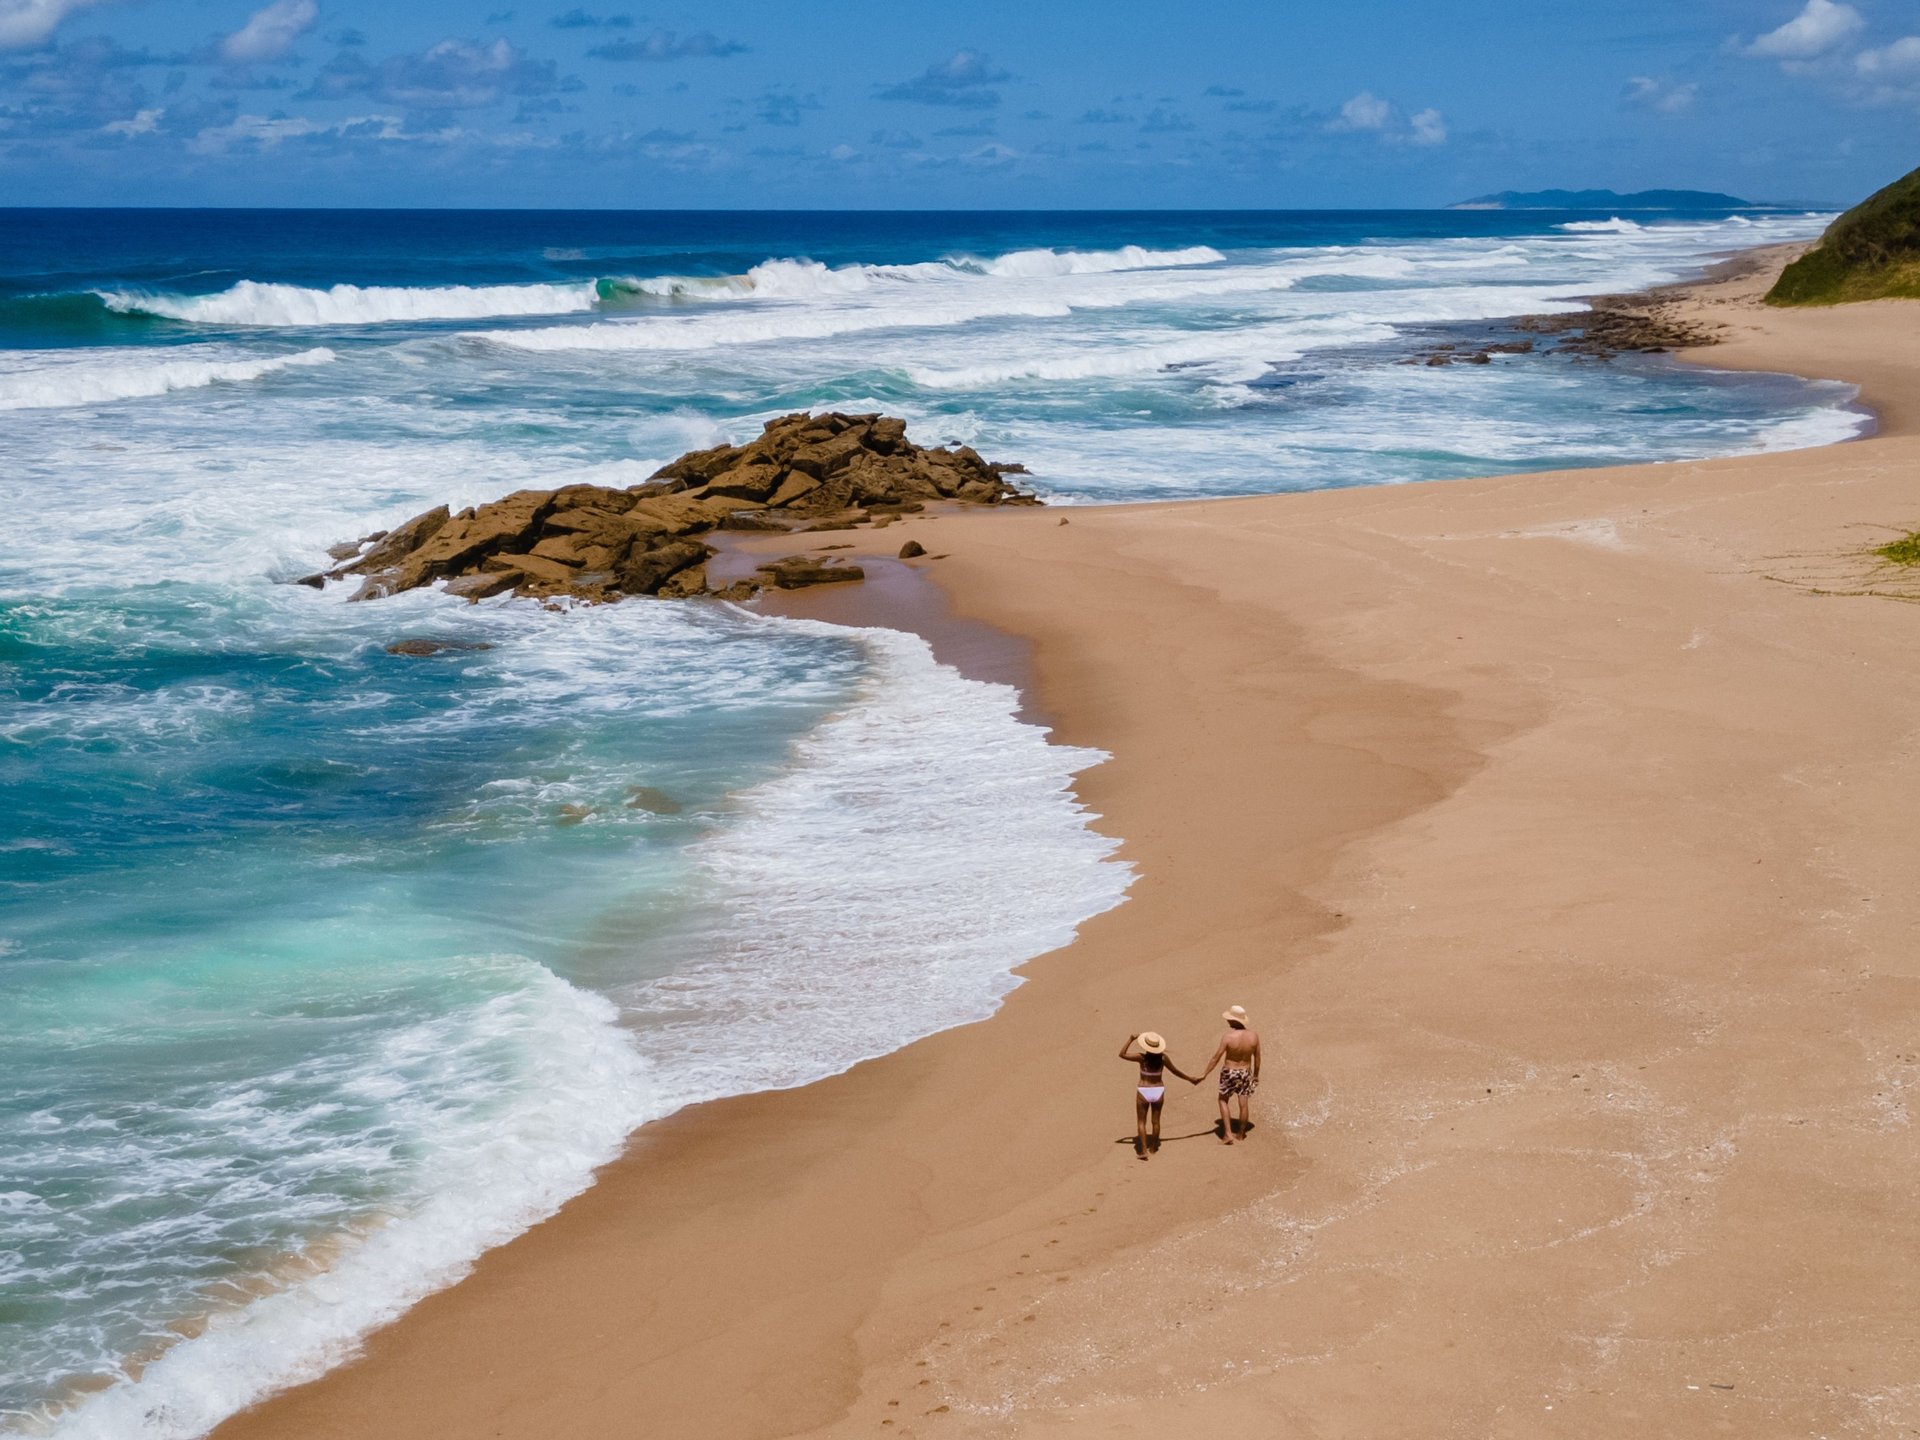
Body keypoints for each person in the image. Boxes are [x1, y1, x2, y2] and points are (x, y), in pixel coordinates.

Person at [1117, 1031, 1199, 1159]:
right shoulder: (1163, 1058)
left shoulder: (1141, 1058)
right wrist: (1190, 1079)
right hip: (1158, 1090)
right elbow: (1175, 1071)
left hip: (1144, 1090)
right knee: (1156, 1122)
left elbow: (1122, 1054)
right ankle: (1154, 1148)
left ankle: (1143, 1150)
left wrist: (1130, 1039)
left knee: (1141, 1122)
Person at [1199, 1004, 1262, 1144]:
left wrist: (1205, 1074)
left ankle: (1228, 1134)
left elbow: (1216, 1057)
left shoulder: (1228, 1037)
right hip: (1245, 1071)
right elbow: (1257, 1058)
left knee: (1223, 1100)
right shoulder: (1254, 1036)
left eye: (1229, 1019)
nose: (1227, 1021)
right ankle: (1240, 1134)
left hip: (1229, 1071)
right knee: (1243, 1103)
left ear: (1234, 1021)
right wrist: (1256, 1075)